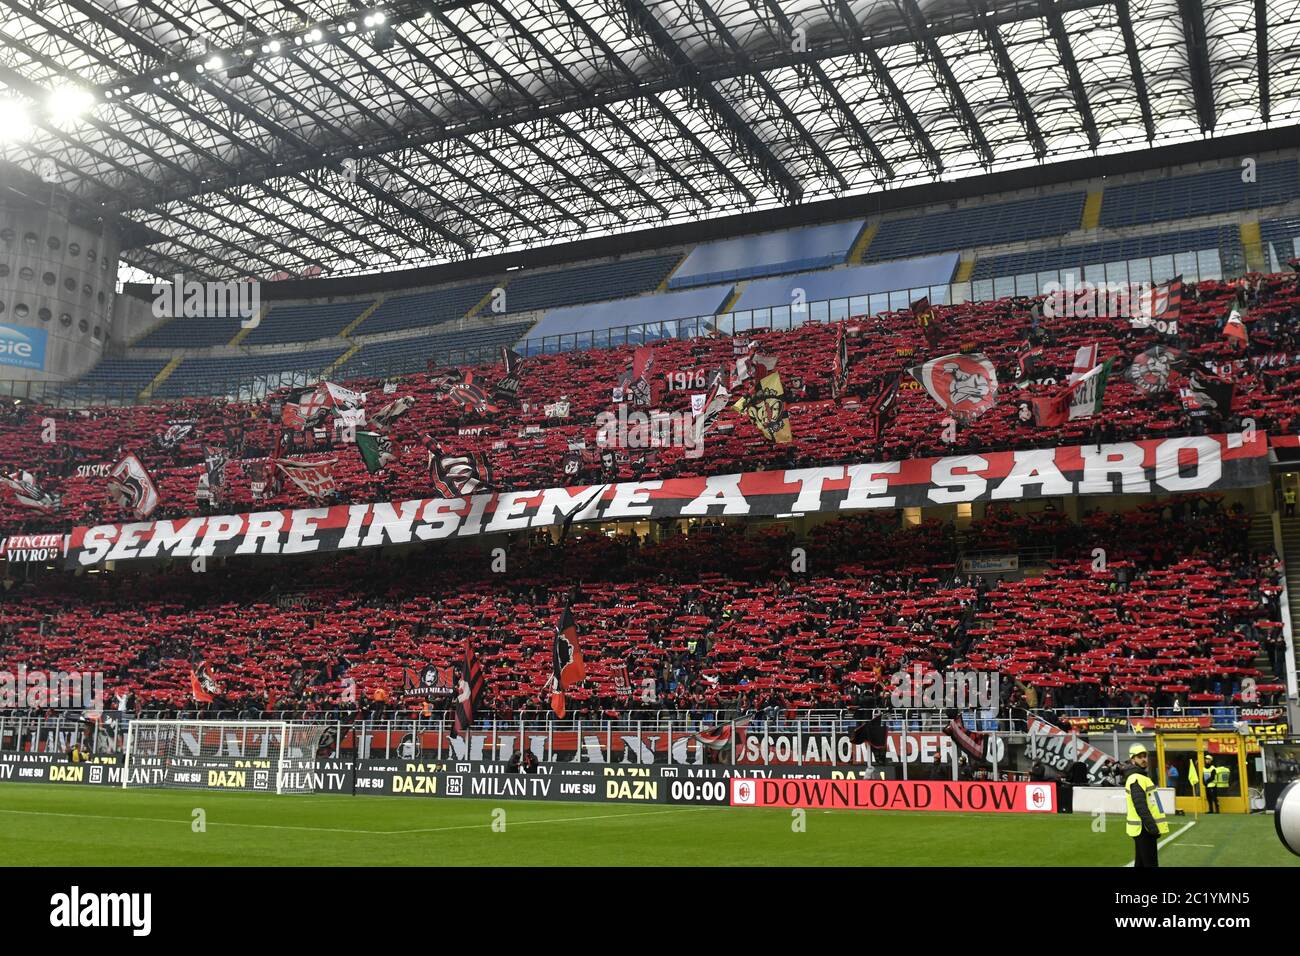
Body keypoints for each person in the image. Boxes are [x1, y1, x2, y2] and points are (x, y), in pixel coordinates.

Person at [1125, 743, 1169, 868]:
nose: (1144, 759)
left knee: (1141, 863)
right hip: (1144, 829)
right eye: (1140, 757)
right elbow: (1141, 807)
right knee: (1151, 864)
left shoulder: (1139, 777)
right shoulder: (1136, 778)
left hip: (1142, 828)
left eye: (1145, 756)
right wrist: (1152, 828)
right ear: (1133, 759)